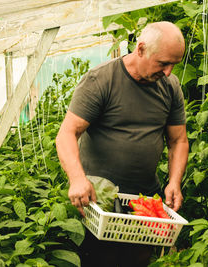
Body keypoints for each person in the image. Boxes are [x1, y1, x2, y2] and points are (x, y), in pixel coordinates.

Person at [56, 21, 189, 267]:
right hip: (98, 202)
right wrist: (76, 178)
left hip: (144, 202)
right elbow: (67, 133)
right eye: (163, 63)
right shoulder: (101, 80)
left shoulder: (170, 87)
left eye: (174, 64)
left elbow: (178, 140)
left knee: (137, 260)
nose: (169, 72)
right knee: (98, 259)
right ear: (140, 49)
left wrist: (174, 182)